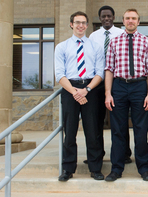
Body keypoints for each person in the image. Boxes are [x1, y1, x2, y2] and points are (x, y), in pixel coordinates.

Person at [104, 9, 148, 182]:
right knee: (118, 130)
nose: (130, 21)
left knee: (141, 130)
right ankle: (116, 169)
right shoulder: (114, 42)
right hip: (119, 86)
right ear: (123, 21)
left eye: (134, 18)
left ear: (138, 21)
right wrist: (108, 93)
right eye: (127, 18)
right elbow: (109, 69)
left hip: (139, 86)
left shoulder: (147, 42)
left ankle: (144, 168)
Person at [54, 11, 105, 181]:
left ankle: (95, 168)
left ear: (87, 25)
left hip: (90, 89)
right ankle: (68, 169)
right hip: (70, 90)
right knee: (70, 132)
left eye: (83, 22)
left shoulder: (95, 47)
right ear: (71, 24)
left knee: (93, 132)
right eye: (77, 22)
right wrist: (75, 92)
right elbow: (60, 75)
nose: (80, 26)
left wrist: (86, 90)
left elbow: (100, 73)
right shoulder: (62, 47)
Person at [88, 5, 133, 165]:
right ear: (99, 18)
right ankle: (97, 153)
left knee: (120, 119)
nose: (106, 19)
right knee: (97, 119)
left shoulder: (121, 33)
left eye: (109, 16)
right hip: (98, 80)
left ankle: (125, 153)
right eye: (103, 16)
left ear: (114, 18)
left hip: (118, 81)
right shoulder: (93, 36)